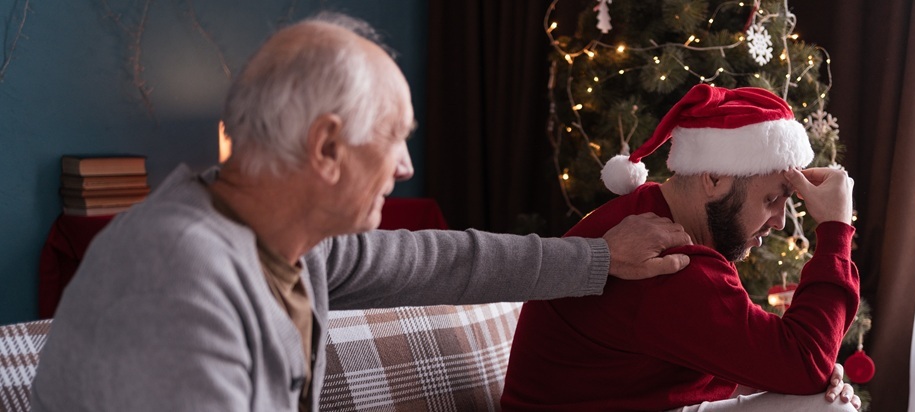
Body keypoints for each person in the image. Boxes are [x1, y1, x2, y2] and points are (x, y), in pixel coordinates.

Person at [29, 13, 694, 412]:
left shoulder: (291, 242)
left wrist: (601, 257)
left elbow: (448, 261)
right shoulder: (177, 277)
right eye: (394, 136)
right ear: (325, 146)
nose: (405, 166)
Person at [501, 84, 862, 411]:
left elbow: (788, 363)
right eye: (771, 199)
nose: (780, 221)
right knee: (828, 407)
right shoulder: (668, 263)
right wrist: (835, 230)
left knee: (819, 399)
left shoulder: (653, 214)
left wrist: (801, 374)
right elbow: (803, 362)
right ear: (715, 179)